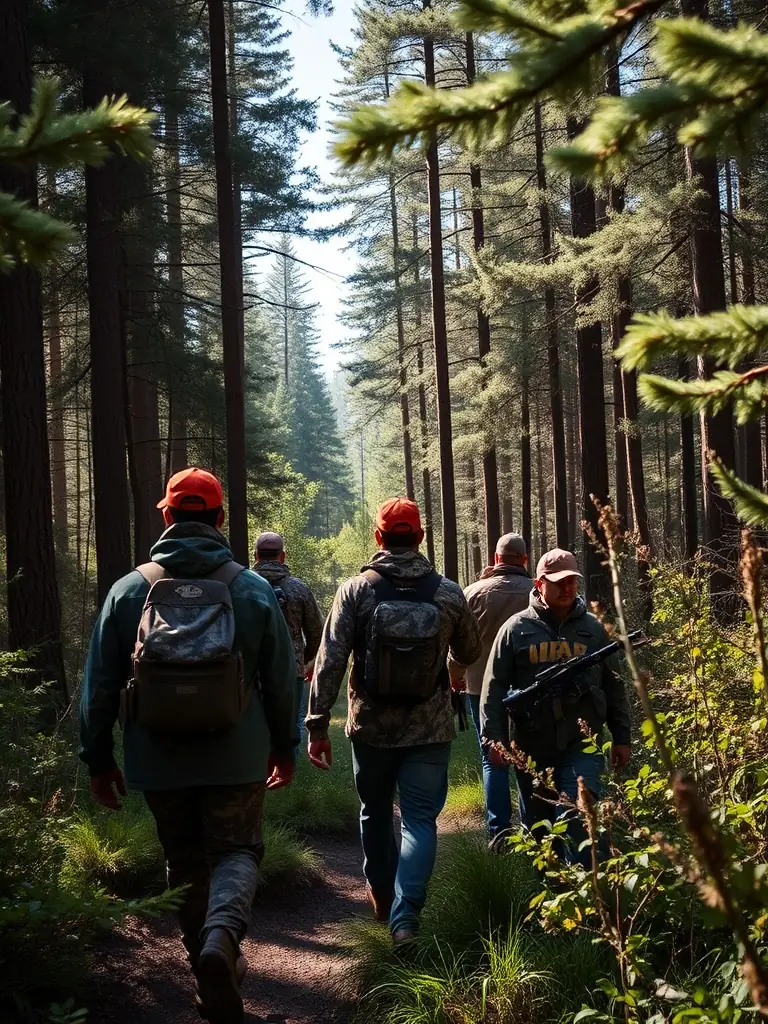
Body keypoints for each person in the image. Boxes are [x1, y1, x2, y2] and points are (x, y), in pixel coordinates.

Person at [79, 468, 297, 1024]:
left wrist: (98, 760)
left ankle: (206, 969)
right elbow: (280, 677)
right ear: (220, 519)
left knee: (184, 861)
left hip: (158, 758)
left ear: (167, 516)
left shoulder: (130, 590)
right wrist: (285, 745)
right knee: (238, 851)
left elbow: (101, 684)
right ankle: (222, 940)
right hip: (237, 757)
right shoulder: (250, 589)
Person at [306, 498, 481, 945]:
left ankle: (381, 898)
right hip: (430, 727)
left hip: (371, 728)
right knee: (420, 820)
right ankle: (406, 921)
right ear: (420, 537)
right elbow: (470, 651)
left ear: (378, 536)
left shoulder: (356, 590)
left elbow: (330, 660)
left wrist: (317, 724)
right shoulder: (447, 592)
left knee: (375, 811)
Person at [480, 547, 632, 867]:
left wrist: (622, 736)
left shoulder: (593, 629)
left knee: (580, 814)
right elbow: (492, 688)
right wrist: (493, 738)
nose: (567, 588)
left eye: (572, 582)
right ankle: (550, 902)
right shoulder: (515, 629)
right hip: (531, 746)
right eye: (558, 582)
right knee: (539, 833)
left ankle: (591, 900)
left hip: (583, 744)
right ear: (539, 583)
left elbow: (614, 684)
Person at [447, 533, 532, 845]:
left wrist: (454, 675)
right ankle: (533, 831)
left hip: (480, 687)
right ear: (525, 560)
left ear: (496, 559)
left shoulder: (472, 592)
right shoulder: (538, 590)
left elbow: (457, 642)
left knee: (492, 757)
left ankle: (499, 834)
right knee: (527, 756)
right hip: (532, 689)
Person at [253, 531, 324, 747]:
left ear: (256, 556)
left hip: (249, 674)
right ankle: (284, 773)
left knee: (254, 729)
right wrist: (303, 660)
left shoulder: (243, 585)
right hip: (291, 671)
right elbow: (316, 634)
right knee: (289, 730)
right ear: (282, 556)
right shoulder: (298, 588)